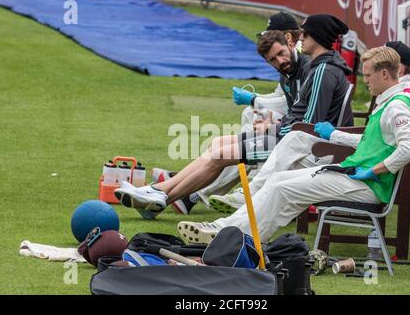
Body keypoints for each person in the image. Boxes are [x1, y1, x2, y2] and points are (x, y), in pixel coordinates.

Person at [114, 14, 353, 217]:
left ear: (293, 42)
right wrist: (274, 123)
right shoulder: (308, 69)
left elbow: (308, 124)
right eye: (272, 60)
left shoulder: (319, 70)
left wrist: (274, 127)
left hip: (300, 146)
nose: (301, 40)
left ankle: (166, 195)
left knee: (220, 154)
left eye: (305, 36)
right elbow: (299, 115)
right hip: (292, 140)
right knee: (217, 145)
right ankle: (159, 192)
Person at [177, 46, 410, 244]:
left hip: (366, 183)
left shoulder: (396, 106)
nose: (365, 81)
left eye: (367, 75)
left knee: (282, 189)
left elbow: (409, 149)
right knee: (276, 181)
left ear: (385, 74)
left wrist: (375, 170)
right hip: (357, 175)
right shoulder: (398, 99)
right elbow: (373, 141)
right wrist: (335, 135)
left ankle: (231, 237)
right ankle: (226, 232)